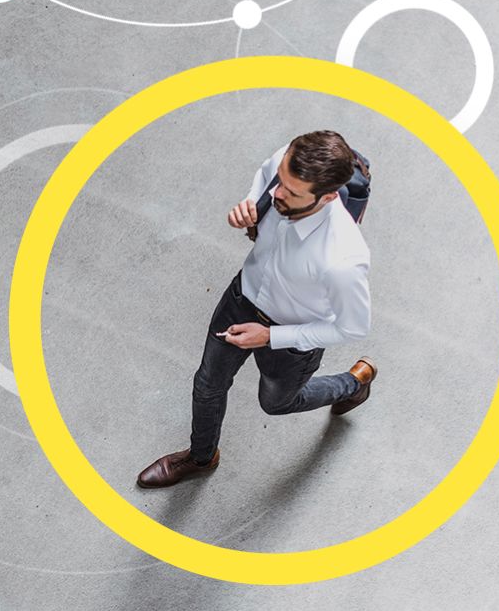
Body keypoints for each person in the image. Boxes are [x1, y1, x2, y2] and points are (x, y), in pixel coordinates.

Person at [136, 131, 377, 488]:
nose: (277, 193)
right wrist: (249, 204)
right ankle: (200, 457)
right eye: (280, 180)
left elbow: (353, 327)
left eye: (291, 193)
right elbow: (265, 175)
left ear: (327, 197)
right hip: (242, 300)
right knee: (207, 384)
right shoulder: (287, 165)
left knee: (276, 403)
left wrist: (270, 336)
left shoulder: (342, 259)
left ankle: (352, 383)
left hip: (293, 339)